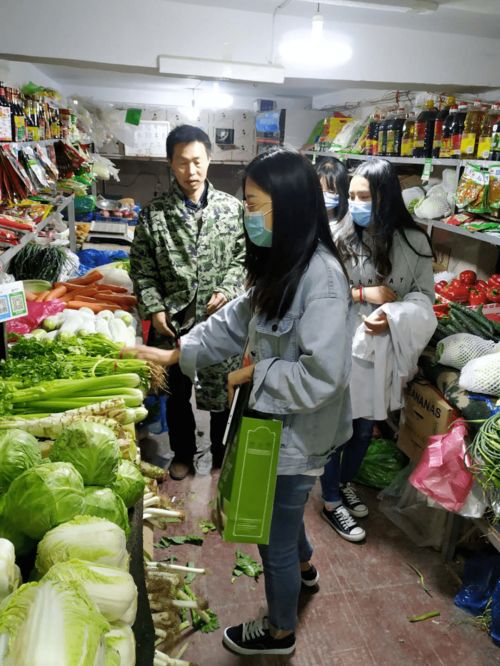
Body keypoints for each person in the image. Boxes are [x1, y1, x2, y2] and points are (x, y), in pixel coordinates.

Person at [127, 149, 354, 656]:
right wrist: (175, 351)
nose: (247, 215)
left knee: (272, 532)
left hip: (299, 430)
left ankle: (279, 631)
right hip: (272, 418)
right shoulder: (284, 263)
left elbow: (326, 375)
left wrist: (255, 372)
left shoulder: (322, 280)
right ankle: (304, 570)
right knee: (285, 517)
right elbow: (234, 321)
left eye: (254, 204)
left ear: (289, 206)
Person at [319, 158, 435, 543]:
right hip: (339, 342)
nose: (354, 203)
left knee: (364, 429)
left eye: (363, 196)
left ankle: (346, 481)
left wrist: (394, 314)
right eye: (351, 196)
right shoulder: (338, 236)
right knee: (337, 427)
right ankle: (332, 500)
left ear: (385, 197)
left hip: (381, 348)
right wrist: (361, 293)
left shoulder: (415, 243)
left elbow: (423, 297)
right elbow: (318, 293)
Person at [130, 124, 246, 480]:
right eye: (182, 163)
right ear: (170, 163)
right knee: (177, 395)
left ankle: (219, 455)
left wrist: (227, 288)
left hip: (220, 323)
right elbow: (142, 268)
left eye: (198, 161)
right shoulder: (155, 214)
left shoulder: (232, 209)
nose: (191, 172)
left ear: (210, 159)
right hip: (173, 324)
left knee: (222, 392)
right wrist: (155, 306)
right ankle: (183, 453)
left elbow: (243, 259)